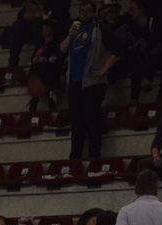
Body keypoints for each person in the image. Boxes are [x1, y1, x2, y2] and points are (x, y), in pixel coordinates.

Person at [63, 2, 110, 163]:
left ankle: (95, 157)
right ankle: (74, 159)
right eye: (81, 11)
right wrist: (69, 36)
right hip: (74, 82)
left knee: (91, 120)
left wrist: (104, 68)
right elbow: (61, 49)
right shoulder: (73, 29)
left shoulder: (100, 28)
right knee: (76, 124)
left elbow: (118, 50)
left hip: (93, 82)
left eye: (88, 11)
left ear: (93, 12)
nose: (84, 14)